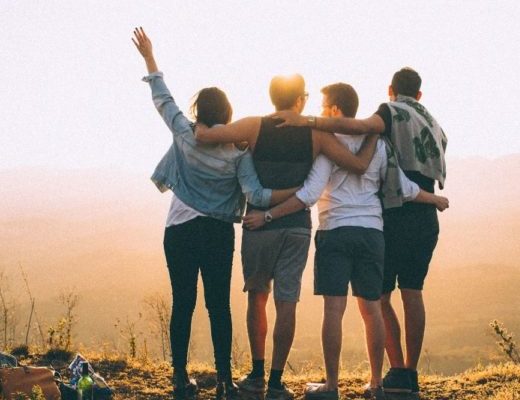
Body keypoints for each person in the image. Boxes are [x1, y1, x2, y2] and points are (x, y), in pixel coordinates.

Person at [244, 83, 448, 400]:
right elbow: (402, 187)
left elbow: (308, 195)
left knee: (333, 310)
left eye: (325, 107)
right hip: (372, 233)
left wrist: (268, 215)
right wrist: (432, 199)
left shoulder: (329, 146)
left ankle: (331, 386)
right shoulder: (378, 144)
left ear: (336, 110)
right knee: (372, 310)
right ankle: (377, 384)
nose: (322, 112)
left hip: (335, 231)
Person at [132, 27, 297, 400]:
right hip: (218, 232)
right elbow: (255, 193)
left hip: (179, 229)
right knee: (218, 305)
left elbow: (163, 99)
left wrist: (149, 58)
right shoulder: (238, 152)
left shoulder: (185, 133)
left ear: (198, 111)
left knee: (183, 302)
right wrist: (298, 193)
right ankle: (224, 380)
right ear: (227, 113)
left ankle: (179, 378)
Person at [195, 75, 378, 400]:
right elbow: (356, 165)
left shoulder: (253, 126)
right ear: (300, 101)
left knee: (257, 297)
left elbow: (209, 135)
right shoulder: (316, 134)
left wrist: (200, 128)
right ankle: (277, 381)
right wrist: (375, 134)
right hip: (296, 227)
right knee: (286, 301)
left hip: (258, 225)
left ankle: (256, 374)